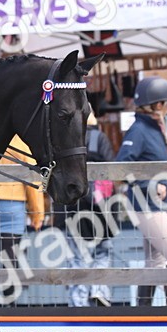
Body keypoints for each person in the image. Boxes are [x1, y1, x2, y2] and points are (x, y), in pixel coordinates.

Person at [117, 76, 167, 306]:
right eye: (165, 103)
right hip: (145, 204)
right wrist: (149, 185)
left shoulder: (155, 129)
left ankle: (144, 314)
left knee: (155, 262)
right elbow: (121, 167)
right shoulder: (139, 130)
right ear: (157, 105)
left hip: (155, 206)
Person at [0, 134, 46, 303]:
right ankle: (9, 303)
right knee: (10, 258)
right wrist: (37, 214)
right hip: (12, 205)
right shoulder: (22, 143)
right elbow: (32, 180)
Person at [65, 111, 116, 307]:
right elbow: (111, 169)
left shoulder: (68, 140)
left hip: (74, 204)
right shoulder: (100, 139)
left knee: (77, 254)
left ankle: (78, 300)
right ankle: (99, 290)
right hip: (100, 206)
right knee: (102, 251)